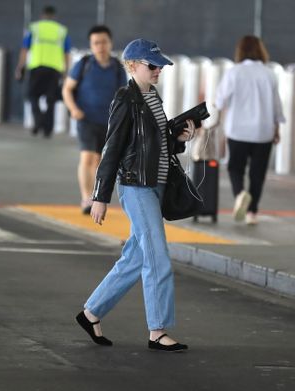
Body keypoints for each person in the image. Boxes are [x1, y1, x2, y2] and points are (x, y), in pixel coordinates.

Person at [75, 38, 195, 352]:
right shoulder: (125, 98)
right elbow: (112, 147)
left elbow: (155, 144)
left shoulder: (152, 96)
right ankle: (158, 331)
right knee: (158, 258)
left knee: (136, 258)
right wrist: (99, 195)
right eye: (152, 66)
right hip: (136, 187)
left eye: (160, 66)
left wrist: (179, 137)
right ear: (132, 65)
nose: (158, 71)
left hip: (155, 185)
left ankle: (91, 313)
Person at [213, 35, 285, 225]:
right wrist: (277, 128)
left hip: (238, 130)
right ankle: (252, 213)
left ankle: (239, 195)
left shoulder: (234, 72)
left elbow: (220, 101)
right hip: (263, 131)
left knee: (235, 168)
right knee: (257, 173)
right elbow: (277, 105)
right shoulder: (269, 73)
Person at [62, 25, 127, 215]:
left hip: (108, 122)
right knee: (87, 157)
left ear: (110, 43)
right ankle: (86, 198)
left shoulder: (117, 67)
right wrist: (74, 109)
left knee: (99, 159)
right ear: (91, 45)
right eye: (96, 43)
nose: (100, 46)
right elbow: (67, 89)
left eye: (104, 42)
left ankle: (96, 196)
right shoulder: (83, 64)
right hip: (86, 118)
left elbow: (123, 94)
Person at [15, 5, 71, 138]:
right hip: (54, 69)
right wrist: (65, 72)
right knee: (51, 99)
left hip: (37, 67)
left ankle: (38, 121)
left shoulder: (34, 28)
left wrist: (20, 67)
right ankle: (47, 130)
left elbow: (24, 49)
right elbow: (66, 53)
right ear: (54, 16)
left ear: (43, 15)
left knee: (32, 96)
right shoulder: (61, 31)